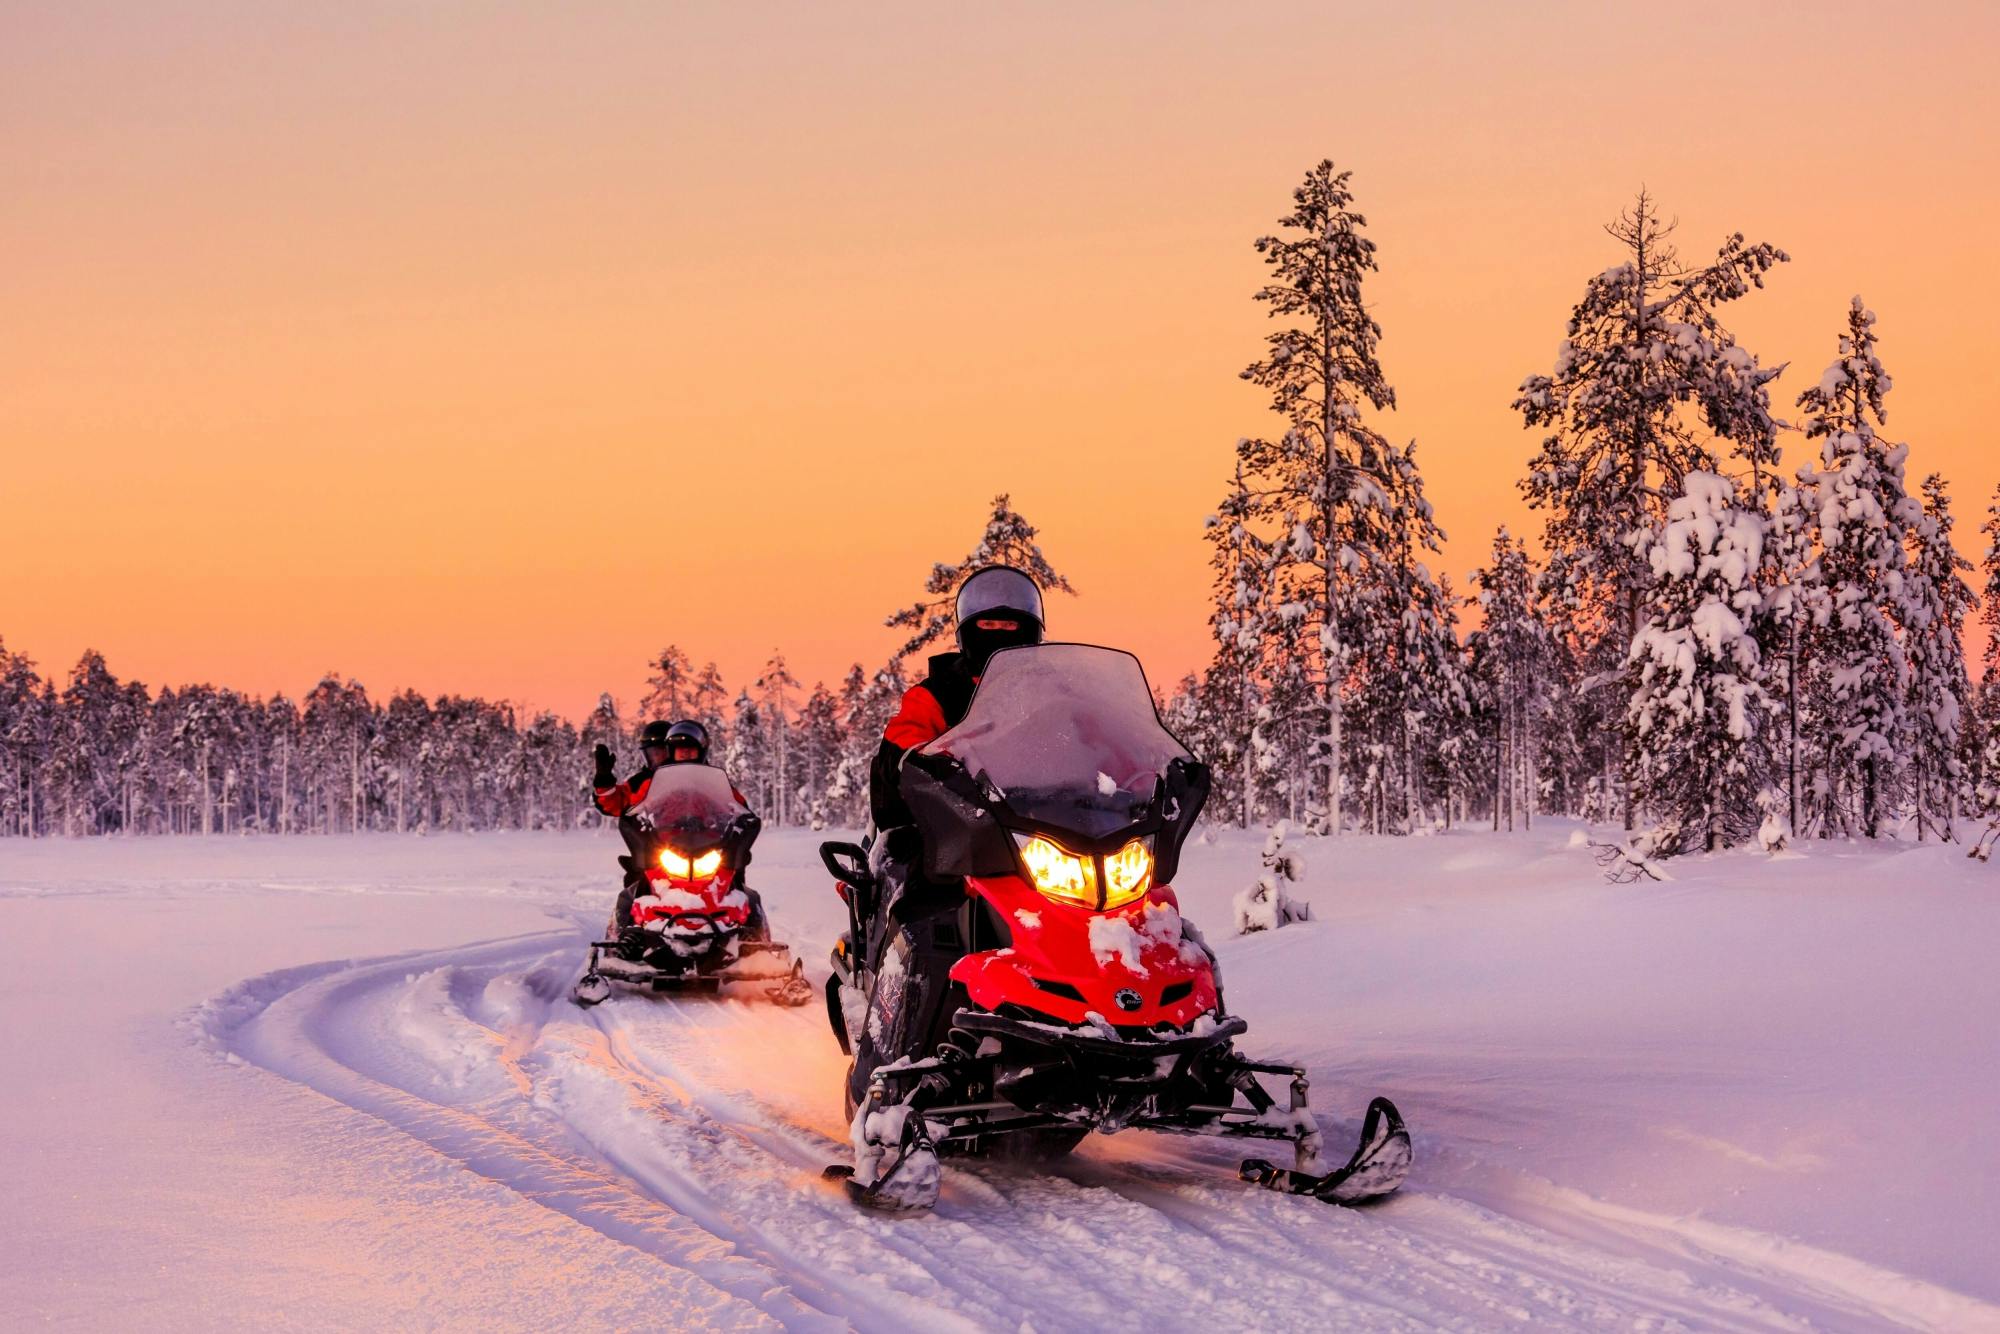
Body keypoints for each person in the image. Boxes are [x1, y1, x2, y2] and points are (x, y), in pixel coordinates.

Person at [869, 565, 1046, 831]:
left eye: (1009, 625)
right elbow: (903, 739)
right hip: (954, 823)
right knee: (908, 858)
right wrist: (935, 763)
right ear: (969, 630)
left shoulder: (1049, 691)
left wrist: (1126, 775)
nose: (998, 632)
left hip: (1044, 819)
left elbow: (1090, 734)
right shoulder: (938, 693)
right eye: (988, 624)